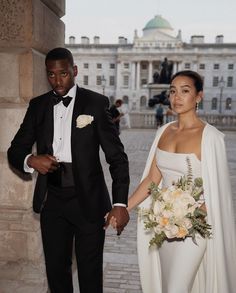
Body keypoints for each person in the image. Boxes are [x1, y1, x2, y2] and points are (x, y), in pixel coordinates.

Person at [7, 47, 130, 293]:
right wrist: (31, 160)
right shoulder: (38, 105)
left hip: (89, 200)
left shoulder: (95, 103)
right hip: (51, 200)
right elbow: (15, 149)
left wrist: (120, 203)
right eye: (51, 75)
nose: (57, 80)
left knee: (90, 272)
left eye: (63, 74)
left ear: (73, 71)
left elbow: (117, 157)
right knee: (56, 272)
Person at [111, 70, 236, 292]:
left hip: (194, 230)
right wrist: (123, 208)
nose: (176, 97)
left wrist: (187, 220)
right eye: (172, 91)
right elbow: (152, 179)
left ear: (199, 96)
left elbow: (216, 193)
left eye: (185, 91)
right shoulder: (163, 131)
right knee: (168, 285)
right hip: (163, 227)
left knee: (176, 288)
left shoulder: (211, 137)